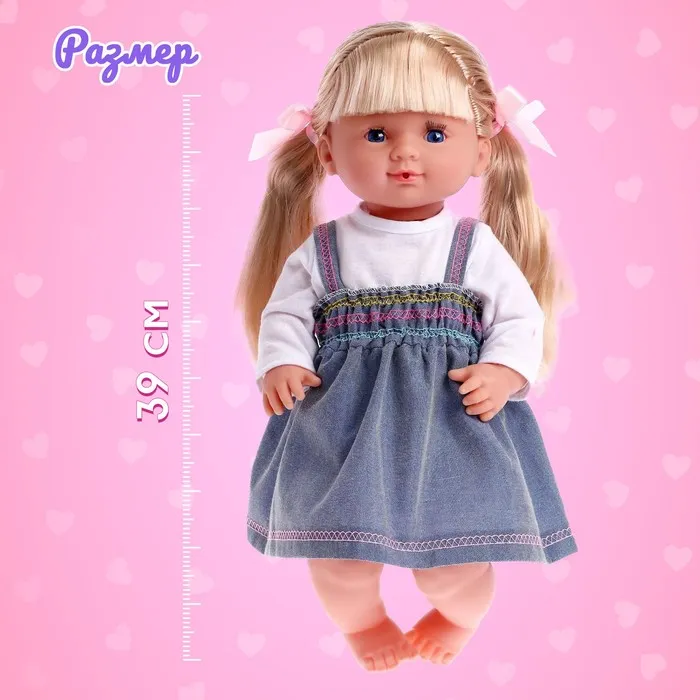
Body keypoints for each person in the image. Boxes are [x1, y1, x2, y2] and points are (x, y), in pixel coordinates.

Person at [235, 20, 578, 672]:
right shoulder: (325, 249)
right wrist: (282, 360)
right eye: (376, 134)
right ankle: (363, 623)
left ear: (481, 151)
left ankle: (459, 614)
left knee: (454, 564)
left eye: (435, 133)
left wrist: (504, 371)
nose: (404, 154)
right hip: (341, 430)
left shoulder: (473, 247)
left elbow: (519, 317)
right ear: (327, 150)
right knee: (337, 558)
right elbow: (285, 312)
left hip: (451, 426)